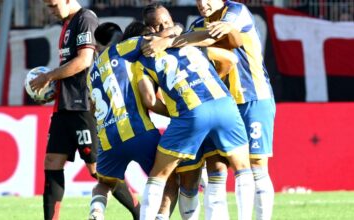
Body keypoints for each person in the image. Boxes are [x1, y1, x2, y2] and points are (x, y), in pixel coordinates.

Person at [142, 0, 276, 219]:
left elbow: (216, 37)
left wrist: (170, 40)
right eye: (198, 0)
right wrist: (174, 34)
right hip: (222, 105)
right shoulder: (196, 25)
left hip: (253, 96)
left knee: (256, 165)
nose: (203, 4)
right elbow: (189, 39)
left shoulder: (235, 11)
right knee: (216, 167)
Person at [29, 1, 139, 219]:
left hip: (83, 106)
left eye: (53, 5)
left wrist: (49, 76)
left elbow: (84, 60)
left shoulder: (85, 19)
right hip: (63, 107)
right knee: (51, 162)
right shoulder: (67, 23)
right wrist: (51, 90)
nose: (51, 11)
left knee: (98, 170)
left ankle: (140, 212)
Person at [87, 21, 167, 220]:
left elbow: (93, 108)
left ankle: (96, 212)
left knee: (104, 183)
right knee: (166, 180)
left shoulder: (91, 74)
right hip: (138, 130)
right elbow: (154, 41)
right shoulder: (123, 49)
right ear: (119, 38)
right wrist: (176, 29)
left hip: (108, 140)